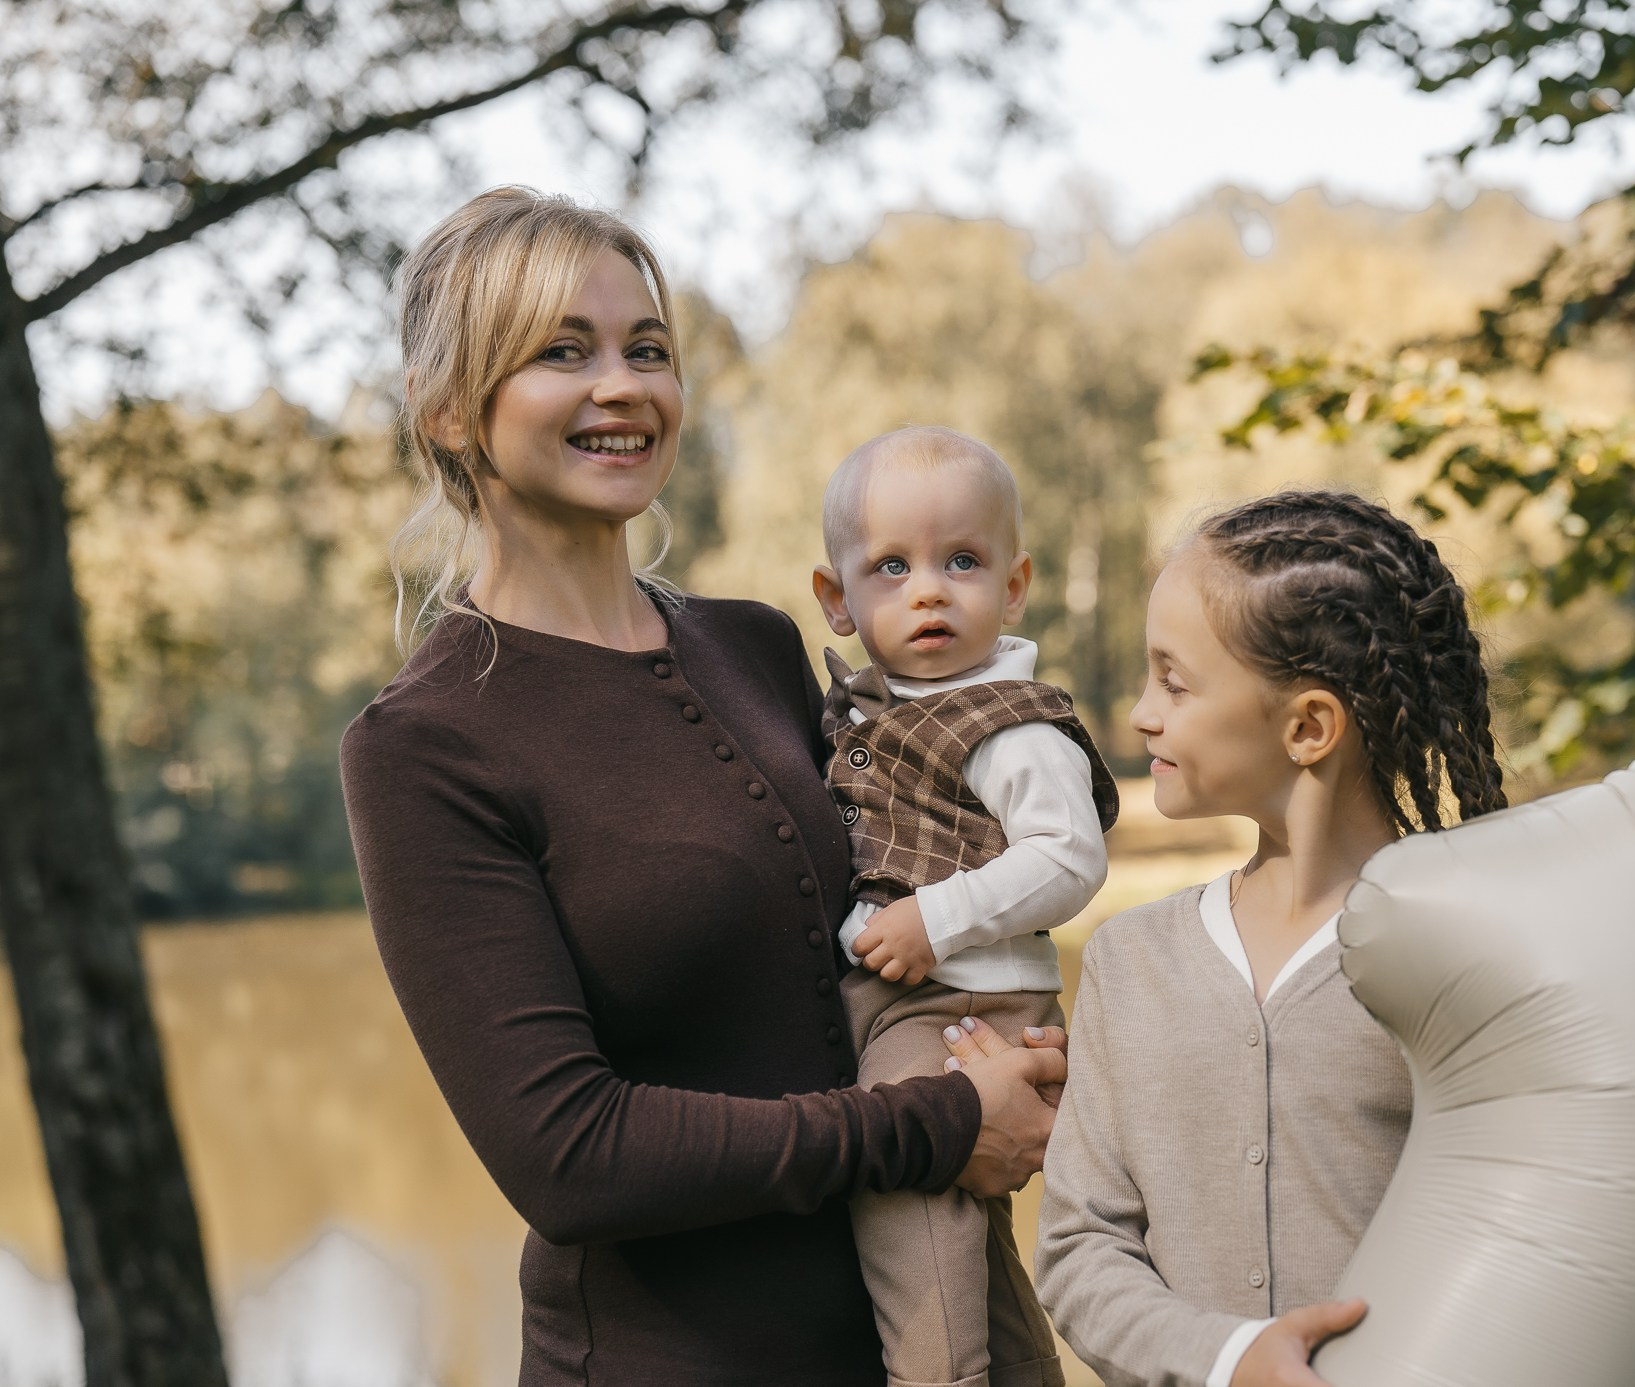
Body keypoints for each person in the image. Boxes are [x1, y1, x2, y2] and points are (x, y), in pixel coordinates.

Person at [337, 187, 1066, 1385]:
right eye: (563, 351)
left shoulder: (759, 643)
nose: (623, 386)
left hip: (920, 1324)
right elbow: (570, 1156)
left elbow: (911, 891)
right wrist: (940, 1121)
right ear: (450, 411)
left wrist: (1018, 1045)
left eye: (649, 349)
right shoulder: (425, 745)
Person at [1035, 490, 1510, 1387]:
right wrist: (1222, 1360)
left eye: (1175, 681)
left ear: (1306, 727)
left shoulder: (1463, 958)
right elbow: (1078, 1246)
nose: (1142, 712)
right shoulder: (1130, 962)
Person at [810, 426, 1118, 1387]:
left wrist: (930, 920)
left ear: (1015, 585)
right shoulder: (872, 709)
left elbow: (1069, 857)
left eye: (963, 561)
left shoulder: (1008, 723)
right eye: (892, 566)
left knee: (907, 1201)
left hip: (961, 1008)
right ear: (839, 599)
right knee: (972, 1245)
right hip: (919, 1001)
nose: (930, 589)